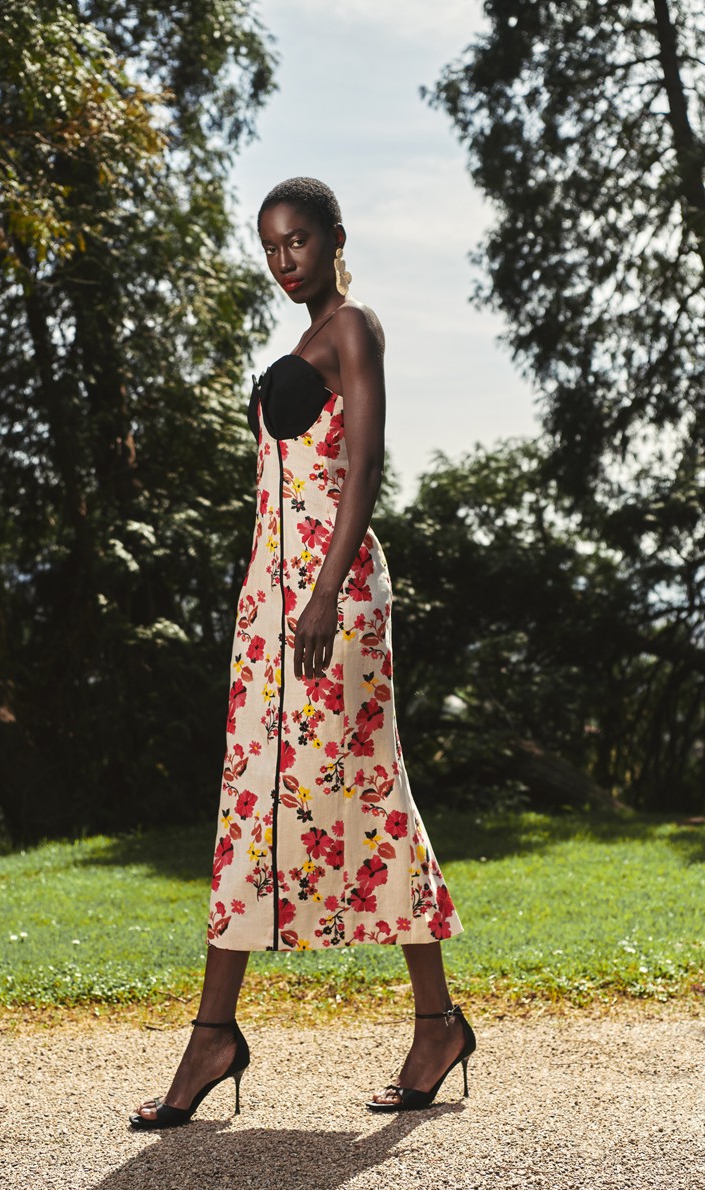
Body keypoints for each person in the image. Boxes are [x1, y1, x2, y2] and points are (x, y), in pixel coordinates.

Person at [130, 177, 475, 1128]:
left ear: (333, 241)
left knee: (368, 793)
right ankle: (218, 1034)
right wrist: (272, 603)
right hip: (271, 609)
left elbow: (363, 469)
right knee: (255, 804)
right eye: (272, 247)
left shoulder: (352, 329)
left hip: (333, 604)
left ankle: (432, 1023)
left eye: (299, 243)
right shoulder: (300, 344)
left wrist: (323, 594)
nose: (285, 261)